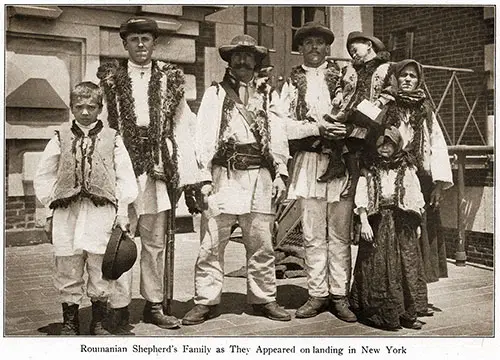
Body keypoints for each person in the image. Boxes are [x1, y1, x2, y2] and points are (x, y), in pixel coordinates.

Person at [97, 17, 198, 331]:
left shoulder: (170, 78)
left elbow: (184, 125)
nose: (141, 45)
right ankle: (119, 307)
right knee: (120, 238)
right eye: (135, 39)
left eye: (146, 39)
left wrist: (187, 173)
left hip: (156, 162)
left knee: (155, 241)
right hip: (123, 161)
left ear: (154, 43)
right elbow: (102, 125)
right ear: (125, 43)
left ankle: (153, 304)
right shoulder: (111, 79)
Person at [182, 34, 291, 325]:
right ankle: (206, 300)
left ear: (256, 62)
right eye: (237, 57)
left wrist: (280, 173)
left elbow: (278, 136)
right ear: (230, 62)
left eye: (249, 57)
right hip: (223, 177)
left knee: (261, 244)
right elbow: (202, 137)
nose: (243, 62)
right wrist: (204, 179)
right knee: (211, 244)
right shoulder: (215, 94)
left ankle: (264, 298)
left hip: (259, 177)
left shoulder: (269, 94)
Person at [34, 82, 138, 335]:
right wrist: (50, 207)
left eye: (91, 107)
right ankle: (70, 320)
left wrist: (121, 212)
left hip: (100, 212)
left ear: (100, 108)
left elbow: (124, 176)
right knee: (68, 263)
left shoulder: (112, 138)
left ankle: (98, 320)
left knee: (99, 263)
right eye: (79, 107)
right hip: (67, 211)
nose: (84, 112)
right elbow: (44, 174)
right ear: (71, 107)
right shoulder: (60, 137)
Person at [279, 22, 356, 322]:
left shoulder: (344, 80)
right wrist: (315, 127)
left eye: (320, 43)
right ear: (300, 49)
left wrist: (344, 129)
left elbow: (359, 116)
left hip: (340, 161)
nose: (314, 48)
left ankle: (340, 295)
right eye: (308, 43)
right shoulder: (290, 83)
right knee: (312, 233)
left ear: (327, 48)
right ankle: (317, 293)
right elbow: (282, 124)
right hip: (309, 161)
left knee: (339, 233)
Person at [381, 59, 453, 314]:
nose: (408, 79)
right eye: (403, 76)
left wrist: (438, 184)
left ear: (418, 80)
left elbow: (438, 146)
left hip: (420, 180)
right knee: (396, 238)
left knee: (422, 240)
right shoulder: (388, 105)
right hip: (393, 177)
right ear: (396, 79)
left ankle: (418, 297)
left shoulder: (426, 109)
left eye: (413, 76)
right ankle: (396, 297)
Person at [349, 126, 426, 331]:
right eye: (381, 144)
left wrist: (416, 223)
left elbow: (414, 194)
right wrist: (364, 221)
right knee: (378, 265)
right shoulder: (370, 169)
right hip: (377, 221)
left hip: (402, 223)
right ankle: (381, 314)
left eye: (389, 144)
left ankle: (408, 314)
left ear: (397, 145)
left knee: (406, 266)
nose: (384, 148)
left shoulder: (406, 168)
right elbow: (362, 195)